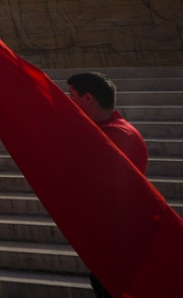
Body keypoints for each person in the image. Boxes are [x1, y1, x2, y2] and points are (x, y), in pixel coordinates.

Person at [66, 72, 148, 298]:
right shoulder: (113, 131)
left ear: (88, 99)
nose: (68, 101)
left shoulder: (116, 136)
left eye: (71, 95)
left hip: (118, 241)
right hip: (109, 238)